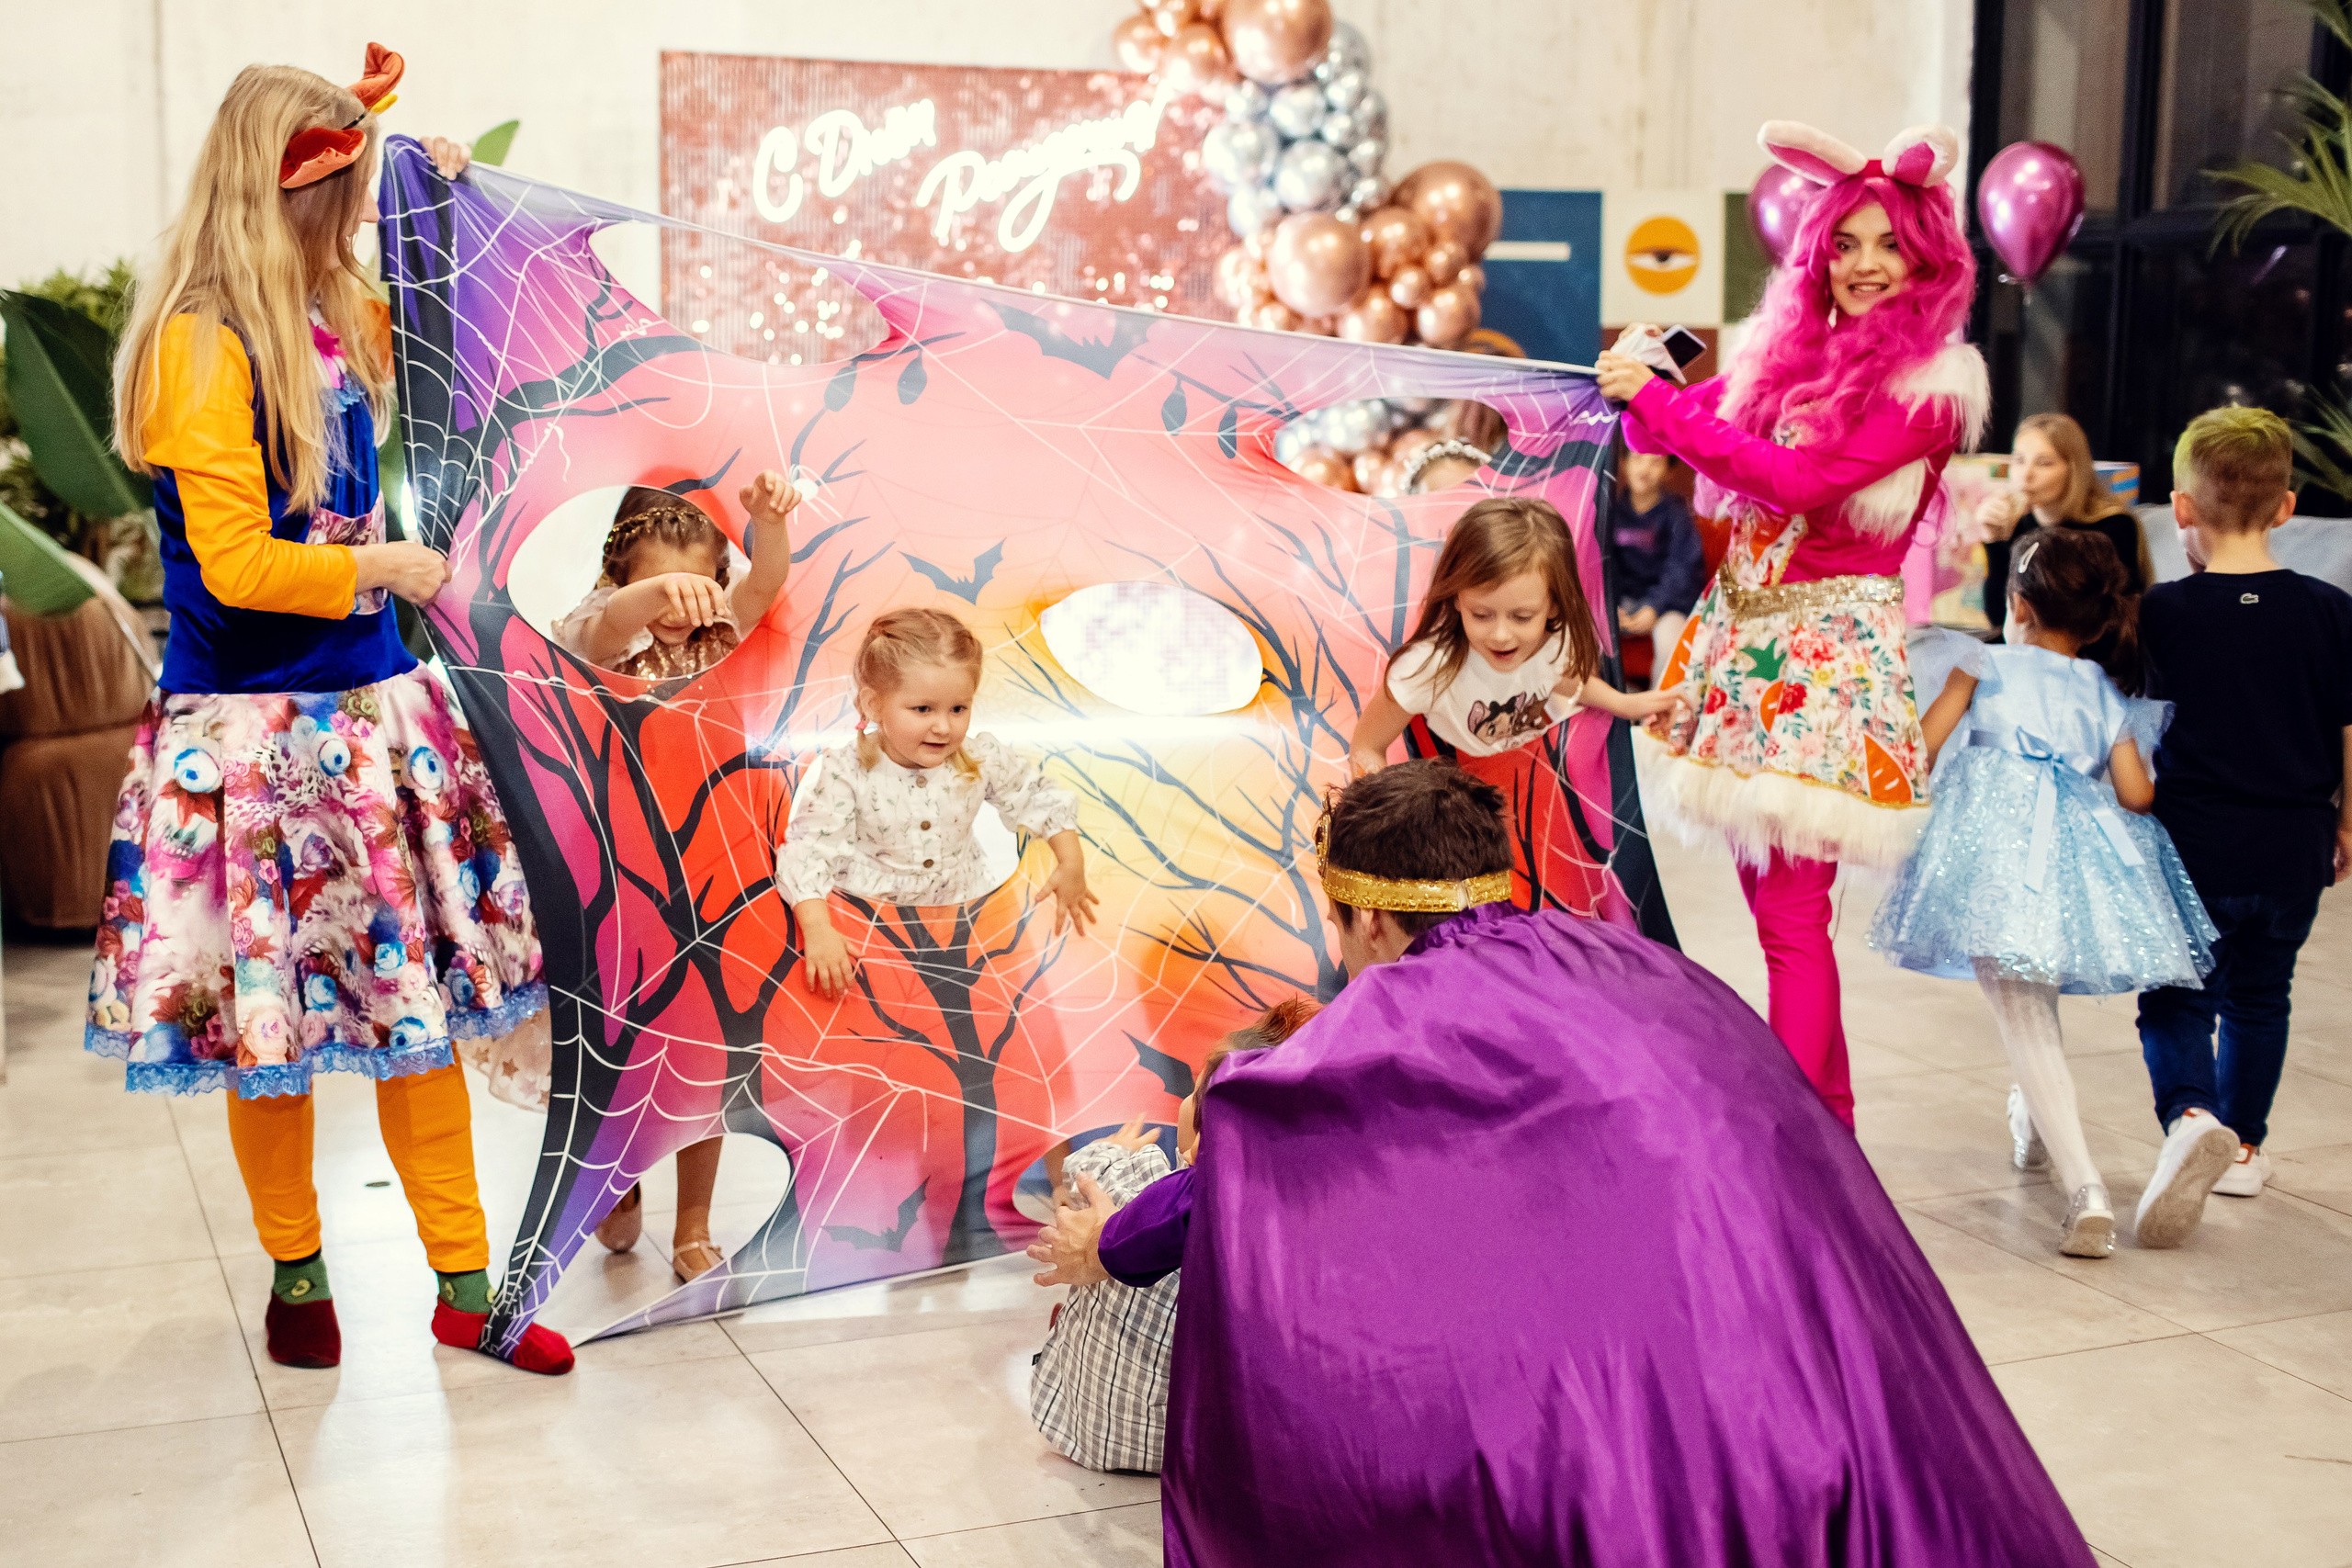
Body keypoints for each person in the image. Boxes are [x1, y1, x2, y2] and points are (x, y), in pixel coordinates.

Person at [1028, 760, 2094, 1566]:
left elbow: (1261, 1144)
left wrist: (1111, 1243)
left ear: (1366, 916)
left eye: (1340, 927)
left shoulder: (1396, 1016)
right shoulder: (1623, 959)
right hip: (1807, 1327)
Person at [85, 49, 570, 1374]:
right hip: (245, 740)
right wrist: (383, 568)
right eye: (347, 194)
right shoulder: (200, 344)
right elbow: (237, 565)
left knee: (413, 1014)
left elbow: (455, 337)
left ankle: (466, 1285)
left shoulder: (330, 307)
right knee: (271, 1026)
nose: (357, 218)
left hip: (362, 724)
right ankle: (300, 1267)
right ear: (286, 192)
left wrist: (440, 201)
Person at [1593, 120, 1987, 1127]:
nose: (1864, 266)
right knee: (1778, 911)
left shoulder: (1930, 394)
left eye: (1888, 245)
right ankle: (1831, 1124)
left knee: (1792, 921)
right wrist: (1643, 380)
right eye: (1845, 244)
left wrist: (1666, 408)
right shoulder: (1789, 357)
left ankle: (1800, 1139)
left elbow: (1795, 481)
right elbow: (1674, 425)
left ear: (1927, 257)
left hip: (1823, 659)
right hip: (1744, 646)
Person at [1870, 530, 2214, 1257]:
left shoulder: (1979, 662)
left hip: (1994, 851)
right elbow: (2136, 794)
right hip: (2075, 855)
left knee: (2023, 1011)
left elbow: (1921, 750)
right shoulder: (2101, 687)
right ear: (2094, 621)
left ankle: (2084, 1187)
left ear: (2016, 603)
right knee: (2034, 995)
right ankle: (2030, 1124)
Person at [545, 475, 797, 1278]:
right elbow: (601, 625)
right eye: (661, 591)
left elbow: (763, 583)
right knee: (622, 1044)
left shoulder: (723, 621)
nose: (680, 612)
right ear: (621, 577)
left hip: (717, 869)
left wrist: (763, 525)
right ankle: (618, 1179)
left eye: (695, 589)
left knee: (708, 1051)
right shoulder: (604, 624)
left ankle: (694, 1223)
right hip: (624, 873)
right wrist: (651, 591)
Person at [2132, 406, 2352, 1239]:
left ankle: (2190, 1117)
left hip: (2194, 841)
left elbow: (2137, 732)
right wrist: (2348, 828)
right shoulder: (2332, 611)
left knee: (2179, 997)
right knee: (2264, 995)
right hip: (2295, 840)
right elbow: (2348, 731)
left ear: (2181, 509)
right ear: (2288, 507)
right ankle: (2246, 1148)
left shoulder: (2165, 614)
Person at [1027, 998, 1318, 1475]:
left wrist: (1114, 1151)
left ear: (1204, 1140)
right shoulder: (1281, 1247)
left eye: (1194, 1092)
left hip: (1078, 1428)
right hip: (1188, 1453)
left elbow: (1086, 1172)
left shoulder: (1136, 1185)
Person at [777, 606, 1096, 997]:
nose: (944, 726)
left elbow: (1036, 795)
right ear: (874, 704)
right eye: (923, 709)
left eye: (958, 708)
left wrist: (1071, 862)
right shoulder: (847, 773)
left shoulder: (979, 759)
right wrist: (818, 929)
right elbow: (810, 851)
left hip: (959, 913)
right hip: (870, 917)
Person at [1348, 496, 1683, 774]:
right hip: (1461, 796)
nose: (1501, 635)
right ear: (1456, 598)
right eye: (1481, 614)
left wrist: (1624, 703)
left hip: (1538, 784)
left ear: (1553, 605)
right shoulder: (1427, 668)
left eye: (1522, 617)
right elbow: (1367, 745)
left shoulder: (1553, 639)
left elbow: (1564, 679)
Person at [1978, 412, 2152, 624]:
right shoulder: (2018, 526)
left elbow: (2112, 621)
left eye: (2043, 463)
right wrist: (1995, 541)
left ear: (2073, 469)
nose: (2026, 474)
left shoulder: (2113, 527)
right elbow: (2001, 620)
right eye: (2019, 460)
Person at [1607, 449, 1707, 680]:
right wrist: (1611, 607)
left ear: (1669, 471)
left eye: (1655, 462)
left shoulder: (1676, 514)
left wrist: (1654, 607)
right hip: (1622, 602)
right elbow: (1603, 566)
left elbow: (1681, 568)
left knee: (1671, 642)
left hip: (1667, 605)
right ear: (1623, 463)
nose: (1644, 469)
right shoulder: (1610, 511)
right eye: (1637, 458)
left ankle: (1655, 710)